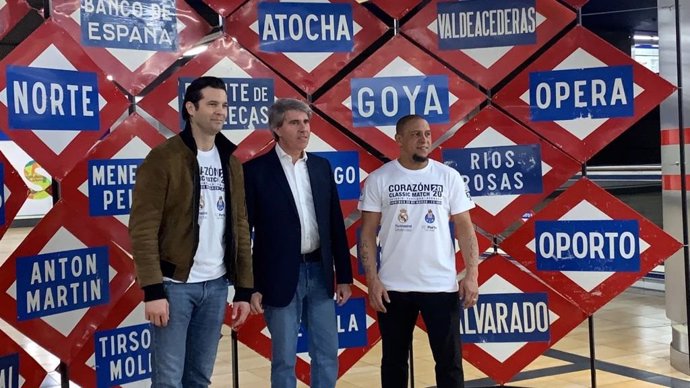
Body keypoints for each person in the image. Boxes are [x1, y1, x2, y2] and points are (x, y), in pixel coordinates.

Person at [129, 76, 252, 387]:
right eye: (212, 104)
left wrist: (244, 289)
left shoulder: (231, 161)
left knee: (199, 378)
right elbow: (143, 229)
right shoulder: (164, 158)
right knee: (168, 380)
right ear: (190, 108)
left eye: (224, 105)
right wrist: (153, 290)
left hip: (216, 286)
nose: (221, 111)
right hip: (175, 288)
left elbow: (239, 224)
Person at [358, 114, 480, 388]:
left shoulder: (449, 177)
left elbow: (465, 229)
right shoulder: (380, 179)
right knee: (394, 363)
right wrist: (373, 280)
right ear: (399, 140)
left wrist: (472, 274)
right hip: (393, 288)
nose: (424, 139)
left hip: (441, 286)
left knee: (449, 363)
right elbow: (366, 233)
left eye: (426, 133)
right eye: (415, 134)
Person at [243, 98, 353, 388]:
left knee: (327, 353)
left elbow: (335, 224)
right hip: (278, 276)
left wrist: (343, 275)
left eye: (306, 122)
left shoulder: (320, 167)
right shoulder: (255, 171)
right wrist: (250, 286)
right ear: (276, 129)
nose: (304, 129)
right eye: (295, 123)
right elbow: (245, 234)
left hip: (319, 272)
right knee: (284, 359)